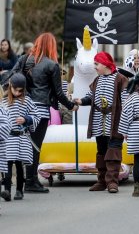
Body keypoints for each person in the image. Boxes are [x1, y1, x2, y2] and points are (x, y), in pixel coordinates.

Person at [10, 32, 78, 193]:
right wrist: (71, 106)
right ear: (51, 46)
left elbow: (11, 79)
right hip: (40, 110)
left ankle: (28, 180)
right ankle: (31, 181)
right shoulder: (51, 65)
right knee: (35, 146)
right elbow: (59, 93)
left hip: (22, 107)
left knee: (27, 145)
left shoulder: (24, 59)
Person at [74, 51, 128, 193]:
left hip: (115, 122)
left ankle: (112, 182)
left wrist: (127, 123)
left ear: (105, 64)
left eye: (96, 64)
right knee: (101, 152)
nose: (94, 67)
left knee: (113, 152)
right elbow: (90, 96)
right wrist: (80, 101)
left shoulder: (120, 79)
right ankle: (102, 181)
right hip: (99, 121)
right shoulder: (97, 80)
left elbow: (127, 102)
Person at [1, 74, 40, 201]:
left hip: (21, 138)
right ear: (10, 86)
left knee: (19, 164)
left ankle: (19, 190)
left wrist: (26, 119)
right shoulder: (4, 102)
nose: (18, 92)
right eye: (16, 90)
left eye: (21, 90)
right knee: (7, 164)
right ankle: (6, 190)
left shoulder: (27, 101)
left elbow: (36, 116)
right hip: (8, 138)